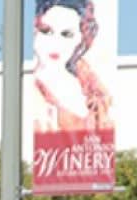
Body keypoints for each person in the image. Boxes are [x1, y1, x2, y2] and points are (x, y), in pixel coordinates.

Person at [31, 0, 111, 132]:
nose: (55, 43)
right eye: (46, 31)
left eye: (67, 34)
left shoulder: (94, 88)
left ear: (81, 38)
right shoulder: (33, 93)